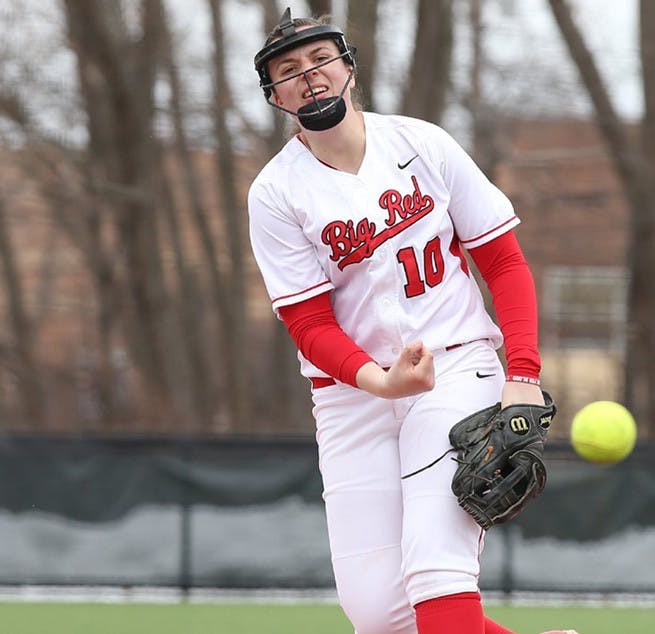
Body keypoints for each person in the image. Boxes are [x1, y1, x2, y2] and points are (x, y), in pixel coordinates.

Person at [247, 9, 577, 634]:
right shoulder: (276, 192)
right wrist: (378, 381)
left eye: (319, 59)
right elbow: (309, 323)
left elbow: (503, 262)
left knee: (435, 571)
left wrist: (523, 373)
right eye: (287, 71)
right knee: (380, 616)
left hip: (455, 366)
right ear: (276, 97)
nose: (308, 75)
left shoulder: (421, 144)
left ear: (348, 67)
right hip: (352, 396)